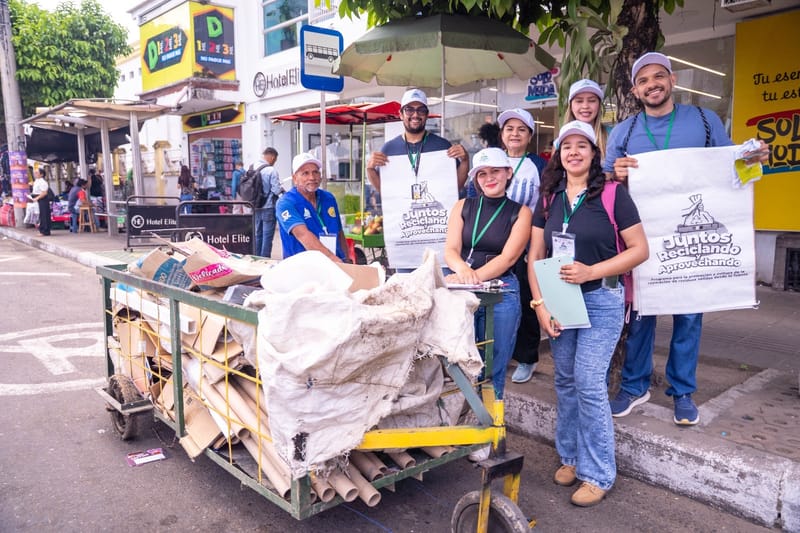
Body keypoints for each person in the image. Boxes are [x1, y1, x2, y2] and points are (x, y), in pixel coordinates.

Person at [604, 52, 770, 426]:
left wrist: (754, 157)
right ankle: (634, 386)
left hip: (689, 237)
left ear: (672, 80)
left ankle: (682, 391)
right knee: (641, 313)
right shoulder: (624, 132)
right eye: (643, 81)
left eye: (658, 76)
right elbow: (602, 178)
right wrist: (615, 172)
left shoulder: (704, 120)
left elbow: (731, 166)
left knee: (689, 312)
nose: (652, 85)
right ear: (635, 91)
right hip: (640, 237)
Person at [528, 120, 648, 506]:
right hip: (559, 298)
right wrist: (540, 305)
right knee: (564, 379)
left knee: (588, 381)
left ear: (595, 154)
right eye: (567, 146)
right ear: (558, 155)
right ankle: (571, 456)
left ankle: (598, 473)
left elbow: (640, 250)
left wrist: (591, 271)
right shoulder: (549, 198)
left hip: (601, 297)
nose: (574, 152)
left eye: (582, 145)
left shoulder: (613, 194)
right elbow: (535, 256)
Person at [445, 147, 532, 404]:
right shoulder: (463, 206)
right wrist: (463, 271)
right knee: (460, 359)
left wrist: (471, 277)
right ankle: (462, 416)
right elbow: (451, 250)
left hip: (502, 289)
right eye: (482, 173)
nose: (489, 178)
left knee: (494, 363)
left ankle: (491, 421)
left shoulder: (521, 212)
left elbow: (508, 258)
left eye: (495, 171)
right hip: (462, 287)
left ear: (508, 173)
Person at [366, 88, 469, 195]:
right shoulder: (389, 149)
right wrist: (369, 169)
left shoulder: (443, 146)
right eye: (409, 110)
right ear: (401, 114)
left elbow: (456, 187)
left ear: (427, 115)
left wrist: (465, 160)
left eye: (421, 110)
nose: (415, 115)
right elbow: (385, 193)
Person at [276, 153, 350, 263]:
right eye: (305, 173)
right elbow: (303, 235)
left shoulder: (328, 198)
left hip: (335, 264)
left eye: (315, 172)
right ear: (295, 178)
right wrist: (335, 262)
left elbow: (339, 232)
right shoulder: (286, 203)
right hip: (303, 267)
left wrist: (347, 259)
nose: (312, 177)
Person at [565, 79, 607, 160]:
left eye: (592, 101)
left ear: (599, 105)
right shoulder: (560, 141)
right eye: (579, 101)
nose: (585, 106)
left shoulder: (613, 135)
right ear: (570, 106)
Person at [254, 147, 283, 258]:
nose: (274, 162)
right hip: (268, 206)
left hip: (255, 206)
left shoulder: (253, 167)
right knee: (267, 236)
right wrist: (281, 189)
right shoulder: (271, 170)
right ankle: (265, 259)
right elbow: (276, 190)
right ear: (272, 157)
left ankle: (256, 258)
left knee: (258, 234)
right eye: (275, 159)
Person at [30, 167, 52, 236]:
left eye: (37, 173)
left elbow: (44, 193)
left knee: (44, 215)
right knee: (40, 215)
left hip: (42, 199)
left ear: (41, 174)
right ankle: (42, 230)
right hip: (37, 198)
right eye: (34, 173)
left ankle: (45, 231)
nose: (35, 174)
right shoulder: (37, 181)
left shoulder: (43, 182)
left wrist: (37, 198)